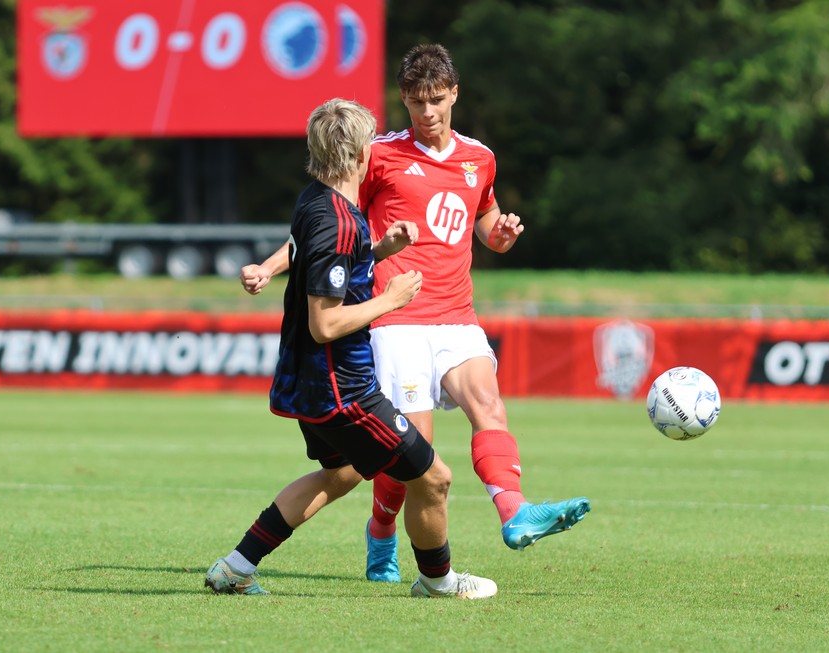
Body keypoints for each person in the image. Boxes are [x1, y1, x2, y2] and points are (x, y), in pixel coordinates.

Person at [241, 44, 590, 584]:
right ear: (403, 101)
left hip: (456, 314)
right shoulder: (377, 154)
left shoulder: (481, 158)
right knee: (411, 458)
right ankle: (382, 534)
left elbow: (486, 224)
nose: (425, 113)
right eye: (414, 102)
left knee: (488, 404)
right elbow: (323, 230)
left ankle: (515, 511)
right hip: (395, 320)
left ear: (455, 94)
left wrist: (501, 236)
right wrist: (269, 266)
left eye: (434, 100)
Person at [205, 98, 498, 599]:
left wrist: (380, 250)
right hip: (344, 390)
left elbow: (327, 265)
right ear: (360, 154)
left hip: (312, 382)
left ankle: (234, 567)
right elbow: (325, 323)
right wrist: (390, 298)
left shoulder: (317, 202)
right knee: (435, 477)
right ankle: (437, 580)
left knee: (340, 473)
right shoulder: (337, 221)